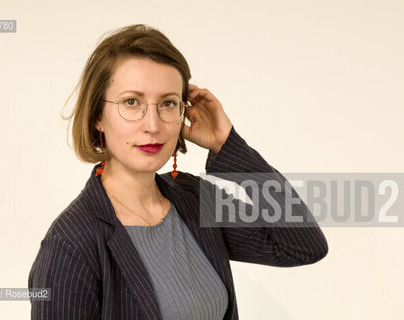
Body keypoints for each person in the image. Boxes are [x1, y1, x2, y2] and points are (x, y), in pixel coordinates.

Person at [28, 24, 328, 320]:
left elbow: (302, 245)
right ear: (97, 117)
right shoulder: (70, 245)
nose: (153, 124)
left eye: (168, 103)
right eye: (131, 102)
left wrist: (226, 145)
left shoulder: (195, 201)